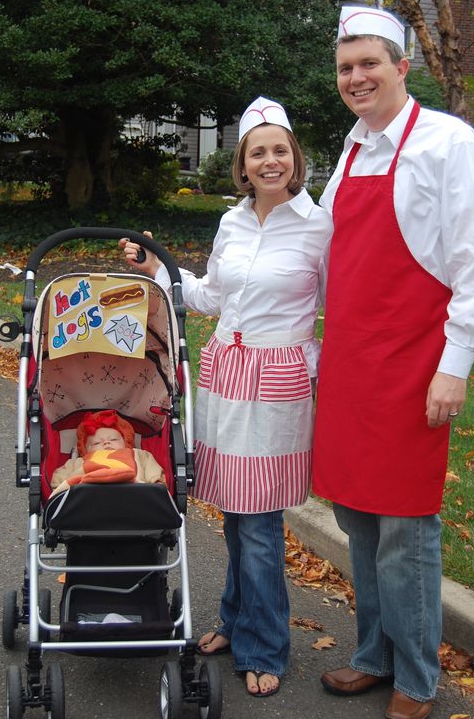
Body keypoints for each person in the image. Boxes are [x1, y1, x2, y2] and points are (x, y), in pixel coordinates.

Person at [312, 5, 474, 719]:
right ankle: (373, 655)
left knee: (406, 528)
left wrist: (454, 367)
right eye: (345, 67)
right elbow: (327, 255)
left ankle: (417, 678)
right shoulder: (356, 147)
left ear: (402, 67)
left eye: (369, 64)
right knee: (357, 521)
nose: (356, 77)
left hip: (415, 366)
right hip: (353, 363)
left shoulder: (448, 143)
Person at [120, 96, 332, 697]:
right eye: (257, 152)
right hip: (223, 373)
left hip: (278, 381)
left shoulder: (320, 226)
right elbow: (211, 295)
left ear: (295, 158)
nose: (270, 162)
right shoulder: (233, 221)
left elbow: (336, 309)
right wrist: (156, 265)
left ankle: (266, 645)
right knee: (236, 519)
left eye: (279, 151)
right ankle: (236, 623)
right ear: (242, 163)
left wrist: (309, 365)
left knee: (260, 523)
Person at [50, 409, 166, 494]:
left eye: (114, 439)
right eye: (96, 443)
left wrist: (157, 483)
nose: (106, 443)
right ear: (85, 450)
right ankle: (101, 477)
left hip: (136, 491)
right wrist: (58, 490)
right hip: (85, 493)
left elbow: (152, 469)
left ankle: (111, 476)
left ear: (126, 442)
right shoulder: (78, 461)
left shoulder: (138, 454)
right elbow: (59, 478)